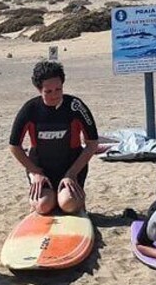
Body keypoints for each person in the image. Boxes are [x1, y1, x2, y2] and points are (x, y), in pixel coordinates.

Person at [9, 61, 99, 214]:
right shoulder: (30, 109)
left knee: (68, 204)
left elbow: (92, 143)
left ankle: (76, 202)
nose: (55, 95)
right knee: (44, 205)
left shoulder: (75, 106)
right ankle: (40, 202)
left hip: (71, 168)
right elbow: (14, 146)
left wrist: (72, 173)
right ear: (39, 89)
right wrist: (35, 172)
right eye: (48, 91)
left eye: (58, 89)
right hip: (41, 169)